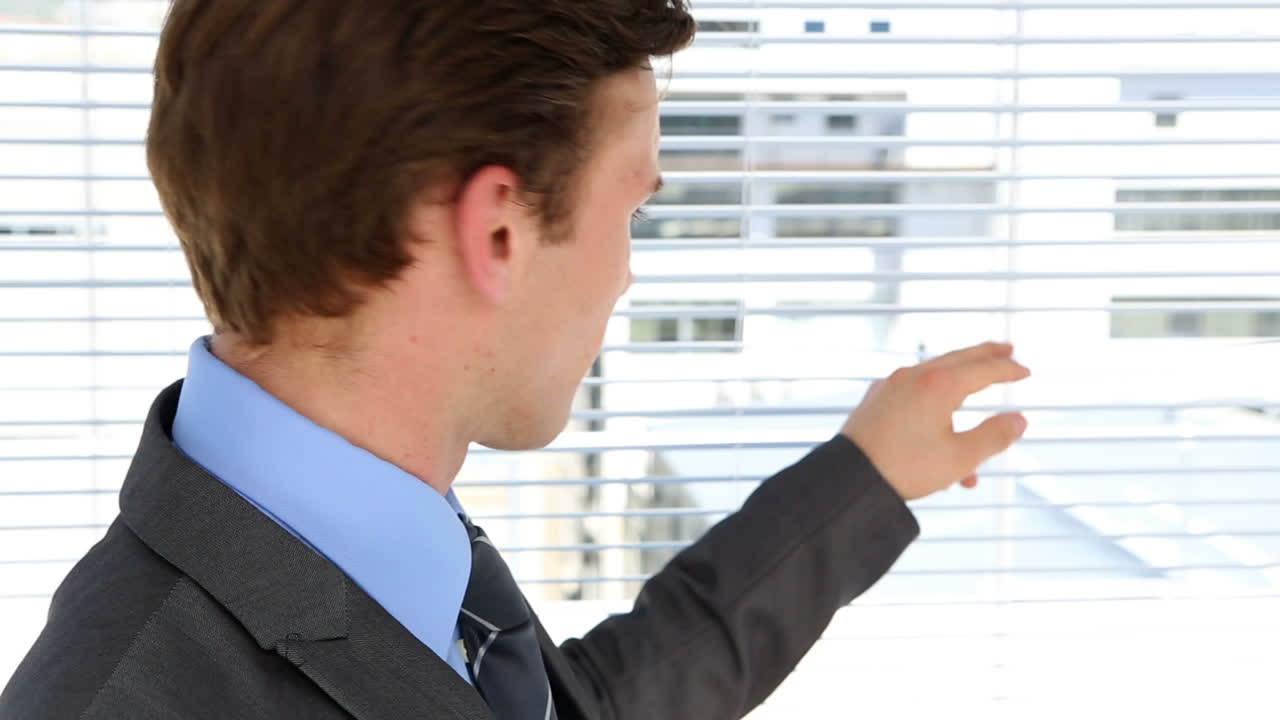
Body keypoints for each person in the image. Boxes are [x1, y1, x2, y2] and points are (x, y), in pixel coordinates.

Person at [0, 1, 1031, 718]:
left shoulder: (379, 536)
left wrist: (862, 477)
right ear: (497, 231)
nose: (626, 274)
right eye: (632, 209)